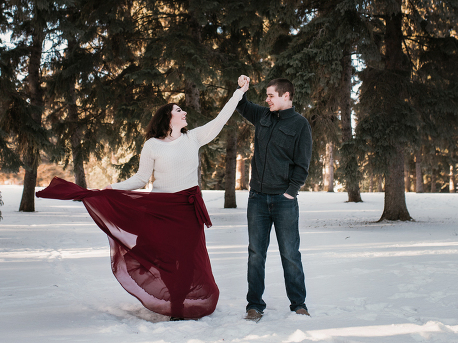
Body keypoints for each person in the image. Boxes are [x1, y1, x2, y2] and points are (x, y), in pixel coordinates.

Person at [36, 80, 248, 320]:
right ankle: (173, 298)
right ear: (167, 118)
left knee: (188, 258)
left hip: (188, 210)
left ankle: (178, 303)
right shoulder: (152, 145)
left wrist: (238, 93)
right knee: (163, 256)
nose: (184, 112)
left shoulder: (194, 138)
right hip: (160, 209)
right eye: (178, 110)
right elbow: (140, 178)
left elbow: (221, 119)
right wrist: (110, 188)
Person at [235, 76, 312, 321]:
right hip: (257, 198)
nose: (266, 99)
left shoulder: (300, 124)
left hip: (284, 200)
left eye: (271, 95)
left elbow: (302, 163)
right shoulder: (263, 116)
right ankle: (254, 306)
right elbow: (241, 105)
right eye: (266, 95)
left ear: (286, 96)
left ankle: (299, 304)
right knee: (256, 253)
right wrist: (241, 89)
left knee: (290, 254)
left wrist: (291, 190)